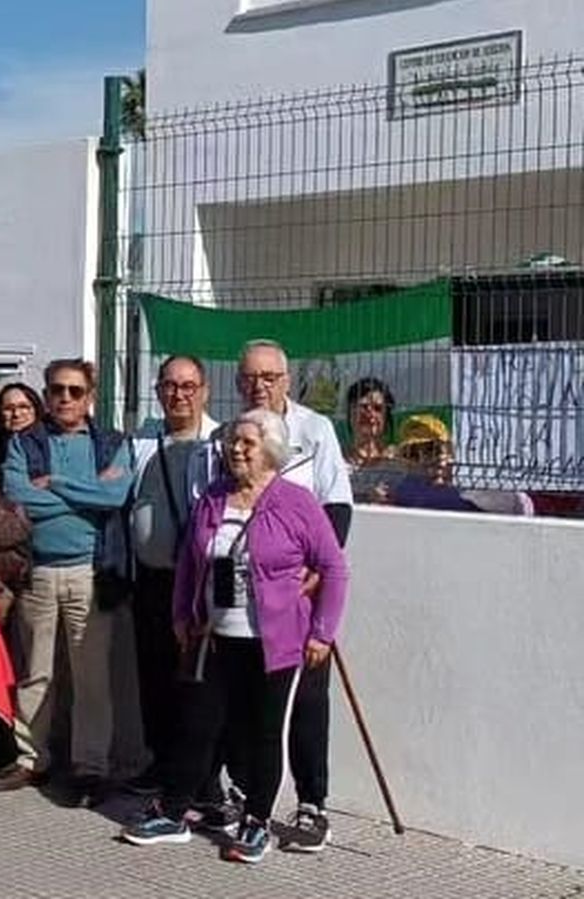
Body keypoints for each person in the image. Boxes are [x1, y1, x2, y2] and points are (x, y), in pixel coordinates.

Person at [123, 409, 349, 865]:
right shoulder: (213, 498)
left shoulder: (296, 502)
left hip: (275, 642)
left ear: (271, 450)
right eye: (232, 441)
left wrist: (323, 633)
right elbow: (191, 562)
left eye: (247, 442)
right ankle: (173, 810)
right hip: (216, 636)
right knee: (197, 725)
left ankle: (257, 821)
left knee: (266, 733)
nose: (236, 449)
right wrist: (183, 614)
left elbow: (334, 568)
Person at [0, 359, 133, 804]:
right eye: (56, 390)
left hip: (89, 573)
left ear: (89, 396)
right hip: (39, 571)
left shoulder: (111, 443)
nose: (64, 398)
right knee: (35, 672)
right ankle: (32, 758)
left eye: (74, 391)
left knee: (91, 677)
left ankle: (91, 767)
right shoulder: (26, 444)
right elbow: (19, 498)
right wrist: (84, 494)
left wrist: (56, 484)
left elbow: (116, 496)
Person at [233, 339, 352, 852]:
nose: (260, 386)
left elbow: (337, 507)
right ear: (239, 383)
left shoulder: (315, 430)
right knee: (248, 703)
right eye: (251, 378)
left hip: (300, 592)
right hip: (243, 602)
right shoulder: (231, 436)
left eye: (270, 377)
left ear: (286, 379)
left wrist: (317, 574)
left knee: (307, 701)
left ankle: (311, 804)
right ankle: (245, 794)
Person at [126, 355, 217, 793]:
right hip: (149, 579)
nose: (178, 394)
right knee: (153, 675)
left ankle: (197, 777)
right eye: (169, 385)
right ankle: (159, 763)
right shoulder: (142, 441)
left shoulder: (218, 444)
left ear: (204, 391)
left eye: (188, 386)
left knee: (196, 681)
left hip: (197, 582)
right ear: (158, 390)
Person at [0, 383, 46, 492]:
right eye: (8, 408)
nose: (16, 414)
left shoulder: (51, 446)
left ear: (36, 409)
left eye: (24, 407)